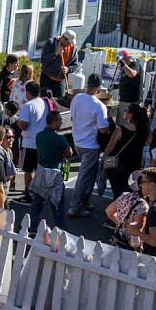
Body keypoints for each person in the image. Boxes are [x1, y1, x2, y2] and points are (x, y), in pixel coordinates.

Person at [67, 74, 110, 216]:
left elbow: (72, 117)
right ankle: (75, 206)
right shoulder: (99, 106)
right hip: (90, 144)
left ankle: (85, 202)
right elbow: (103, 129)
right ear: (98, 88)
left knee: (90, 174)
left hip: (77, 140)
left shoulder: (77, 98)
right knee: (84, 176)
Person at [25, 110, 70, 233]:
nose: (61, 123)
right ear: (54, 122)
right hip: (54, 174)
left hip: (41, 171)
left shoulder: (39, 135)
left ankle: (32, 226)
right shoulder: (59, 139)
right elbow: (69, 152)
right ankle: (61, 229)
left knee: (38, 201)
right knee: (58, 203)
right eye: (60, 121)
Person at [121, 167, 156, 256]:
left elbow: (154, 241)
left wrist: (135, 231)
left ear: (152, 185)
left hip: (153, 259)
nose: (140, 185)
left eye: (143, 182)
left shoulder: (155, 209)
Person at [103, 102, 149, 197]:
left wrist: (104, 157)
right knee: (131, 190)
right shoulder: (145, 130)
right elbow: (149, 142)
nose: (124, 112)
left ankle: (119, 209)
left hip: (119, 164)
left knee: (118, 191)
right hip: (135, 164)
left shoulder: (121, 129)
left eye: (126, 110)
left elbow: (110, 146)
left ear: (130, 115)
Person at [14, 81, 49, 187]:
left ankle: (28, 193)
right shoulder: (44, 103)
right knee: (39, 169)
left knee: (28, 170)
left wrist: (17, 120)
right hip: (41, 142)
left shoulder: (28, 106)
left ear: (28, 92)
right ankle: (37, 192)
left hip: (29, 142)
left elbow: (24, 125)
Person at [38, 33, 70, 101]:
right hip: (47, 79)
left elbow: (74, 64)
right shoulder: (51, 43)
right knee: (45, 101)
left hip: (60, 81)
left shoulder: (73, 48)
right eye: (68, 42)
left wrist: (68, 69)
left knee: (59, 102)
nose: (69, 44)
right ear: (63, 38)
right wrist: (56, 53)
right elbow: (43, 59)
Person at [0, 54, 20, 120]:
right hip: (4, 102)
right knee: (2, 121)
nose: (18, 65)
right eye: (16, 63)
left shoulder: (16, 72)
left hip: (13, 102)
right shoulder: (3, 74)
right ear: (10, 64)